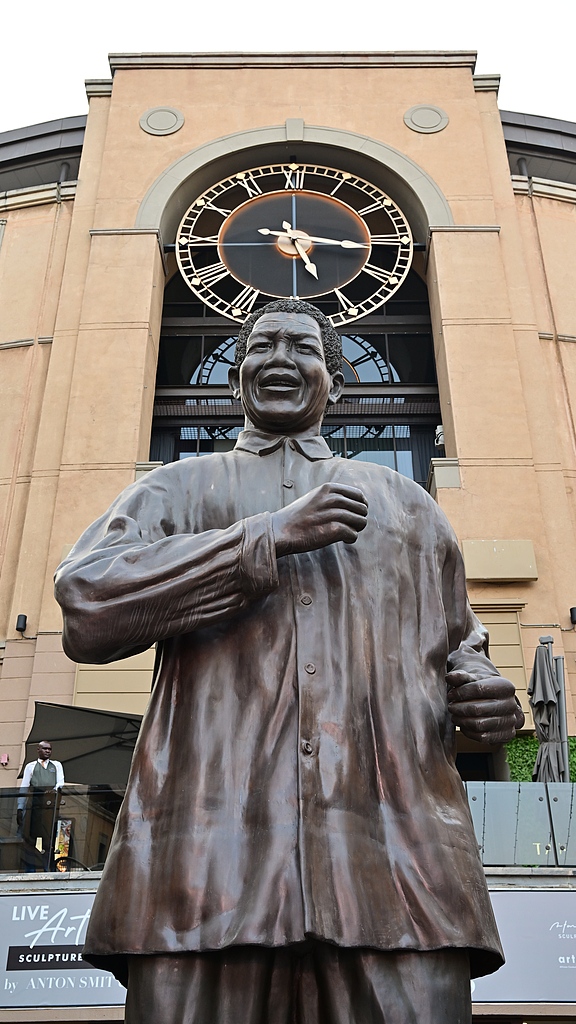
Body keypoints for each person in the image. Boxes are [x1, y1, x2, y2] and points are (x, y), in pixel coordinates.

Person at [55, 299, 524, 1024]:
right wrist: (263, 538)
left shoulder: (410, 508)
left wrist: (487, 696)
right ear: (236, 378)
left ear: (334, 383)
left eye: (301, 348)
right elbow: (87, 605)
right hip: (208, 864)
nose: (280, 358)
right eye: (262, 345)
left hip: (394, 865)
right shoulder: (174, 489)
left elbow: (460, 646)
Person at [17, 741, 64, 869]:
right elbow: (24, 787)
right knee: (30, 839)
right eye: (44, 749)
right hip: (34, 805)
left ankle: (47, 868)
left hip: (50, 804)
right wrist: (20, 807)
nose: (47, 751)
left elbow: (60, 783)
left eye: (49, 749)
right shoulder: (31, 766)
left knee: (48, 840)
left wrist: (54, 790)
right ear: (38, 750)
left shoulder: (56, 765)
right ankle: (30, 869)